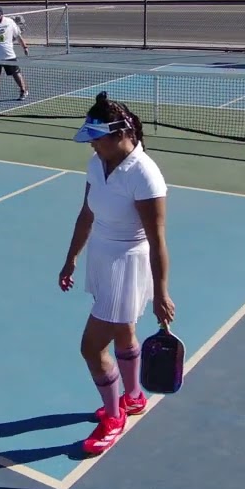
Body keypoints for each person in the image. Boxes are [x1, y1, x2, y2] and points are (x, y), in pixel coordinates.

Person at [58, 93, 175, 456]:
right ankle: (134, 397)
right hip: (101, 257)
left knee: (91, 347)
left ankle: (113, 418)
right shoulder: (97, 163)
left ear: (121, 133)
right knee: (124, 332)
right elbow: (86, 214)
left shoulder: (144, 175)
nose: (91, 143)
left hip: (129, 263)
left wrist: (160, 293)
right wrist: (71, 258)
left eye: (96, 136)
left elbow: (157, 241)